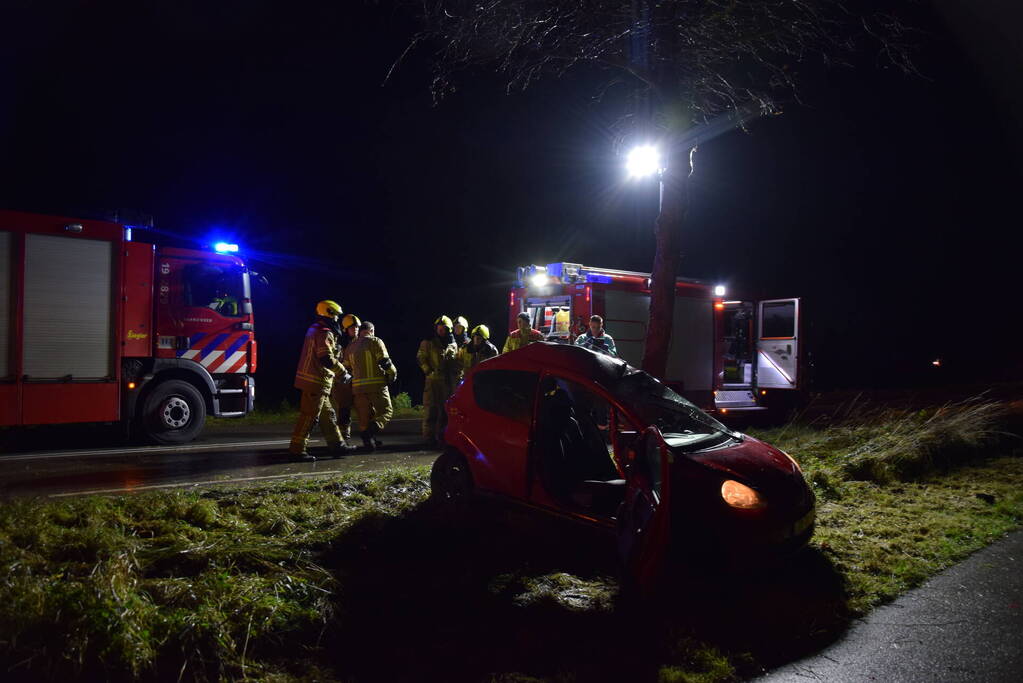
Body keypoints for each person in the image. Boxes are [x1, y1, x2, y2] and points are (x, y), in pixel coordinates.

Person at [288, 300, 352, 459]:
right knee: (309, 417)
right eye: (336, 316)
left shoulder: (315, 329)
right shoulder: (324, 332)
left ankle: (337, 446)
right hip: (316, 381)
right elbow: (326, 358)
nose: (337, 319)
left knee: (328, 415)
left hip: (316, 381)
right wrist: (343, 373)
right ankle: (297, 450)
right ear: (329, 313)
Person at [344, 320, 396, 452]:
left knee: (365, 416)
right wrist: (393, 374)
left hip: (357, 388)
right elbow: (384, 361)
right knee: (386, 412)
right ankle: (370, 432)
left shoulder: (350, 347)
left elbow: (346, 368)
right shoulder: (375, 341)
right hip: (376, 386)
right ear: (371, 331)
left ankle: (368, 443)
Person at [417, 315, 460, 446]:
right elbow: (420, 358)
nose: (440, 331)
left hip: (447, 383)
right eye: (439, 328)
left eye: (443, 329)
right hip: (433, 382)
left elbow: (455, 362)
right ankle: (428, 438)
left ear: (449, 330)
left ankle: (442, 438)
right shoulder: (428, 342)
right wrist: (428, 371)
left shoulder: (453, 344)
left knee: (445, 411)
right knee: (431, 410)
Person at [331, 313, 361, 441]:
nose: (355, 329)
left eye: (357, 327)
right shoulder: (340, 345)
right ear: (346, 329)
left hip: (356, 380)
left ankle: (369, 434)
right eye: (352, 327)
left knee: (365, 409)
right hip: (342, 383)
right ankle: (344, 436)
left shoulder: (359, 343)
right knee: (344, 410)